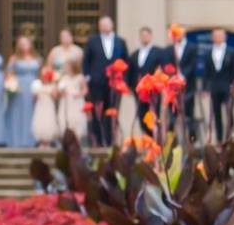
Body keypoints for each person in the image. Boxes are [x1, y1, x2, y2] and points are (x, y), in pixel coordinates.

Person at [83, 15, 128, 146]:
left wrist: (123, 80)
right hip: (97, 83)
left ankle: (111, 142)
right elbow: (87, 60)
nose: (104, 27)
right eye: (102, 25)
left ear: (112, 25)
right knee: (98, 114)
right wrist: (88, 78)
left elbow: (126, 61)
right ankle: (98, 143)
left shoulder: (120, 41)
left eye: (107, 24)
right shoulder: (93, 41)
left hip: (115, 84)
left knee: (112, 113)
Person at [203, 28, 234, 143]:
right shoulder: (208, 53)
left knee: (229, 112)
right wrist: (205, 88)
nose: (218, 38)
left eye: (220, 35)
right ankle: (219, 138)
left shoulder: (231, 51)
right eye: (216, 36)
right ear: (212, 38)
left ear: (224, 37)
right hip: (214, 87)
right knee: (216, 114)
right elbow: (206, 72)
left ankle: (231, 138)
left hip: (227, 86)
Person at [127, 26, 164, 135]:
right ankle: (146, 136)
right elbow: (130, 71)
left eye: (146, 35)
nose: (144, 37)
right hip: (139, 91)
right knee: (141, 114)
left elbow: (162, 70)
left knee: (153, 113)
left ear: (150, 36)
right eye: (142, 35)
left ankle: (155, 137)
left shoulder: (158, 52)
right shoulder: (134, 54)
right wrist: (130, 86)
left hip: (153, 91)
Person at [4, 36, 40, 148]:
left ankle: (31, 140)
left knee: (31, 113)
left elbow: (40, 73)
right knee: (18, 114)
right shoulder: (14, 58)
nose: (25, 46)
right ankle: (16, 140)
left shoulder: (36, 58)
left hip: (33, 88)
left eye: (26, 43)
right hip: (19, 88)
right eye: (22, 43)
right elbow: (9, 74)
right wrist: (11, 85)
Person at [165, 24, 198, 139]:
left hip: (187, 87)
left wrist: (182, 76)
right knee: (173, 113)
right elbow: (167, 66)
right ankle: (171, 140)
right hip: (173, 88)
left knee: (188, 113)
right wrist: (173, 77)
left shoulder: (192, 47)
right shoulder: (169, 49)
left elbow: (193, 64)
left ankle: (191, 139)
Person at [57, 59, 88, 143]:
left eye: (67, 66)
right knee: (65, 121)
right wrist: (62, 92)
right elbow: (59, 92)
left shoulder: (80, 77)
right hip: (66, 102)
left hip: (76, 102)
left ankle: (77, 142)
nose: (66, 68)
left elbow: (85, 91)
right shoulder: (63, 77)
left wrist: (78, 94)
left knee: (77, 121)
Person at [31, 67, 59, 147]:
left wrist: (53, 87)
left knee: (48, 122)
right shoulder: (37, 84)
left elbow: (55, 97)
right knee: (40, 123)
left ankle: (48, 142)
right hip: (40, 107)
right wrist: (35, 93)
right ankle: (41, 143)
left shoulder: (52, 85)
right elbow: (34, 99)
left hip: (49, 107)